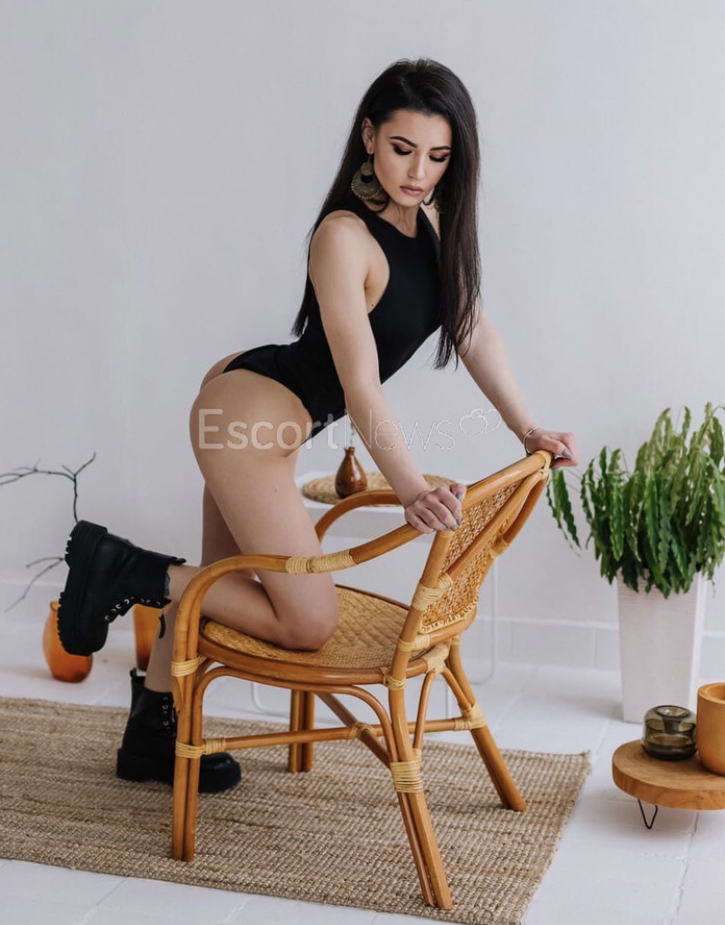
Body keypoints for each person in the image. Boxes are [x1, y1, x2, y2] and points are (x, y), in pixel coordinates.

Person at [57, 57, 578, 794]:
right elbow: (360, 387)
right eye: (402, 149)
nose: (419, 173)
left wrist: (528, 428)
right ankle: (122, 567)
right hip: (246, 419)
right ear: (368, 136)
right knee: (305, 623)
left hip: (272, 418)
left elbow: (470, 327)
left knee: (220, 593)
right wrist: (409, 487)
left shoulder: (432, 222)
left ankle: (151, 734)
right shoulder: (344, 236)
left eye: (438, 156)